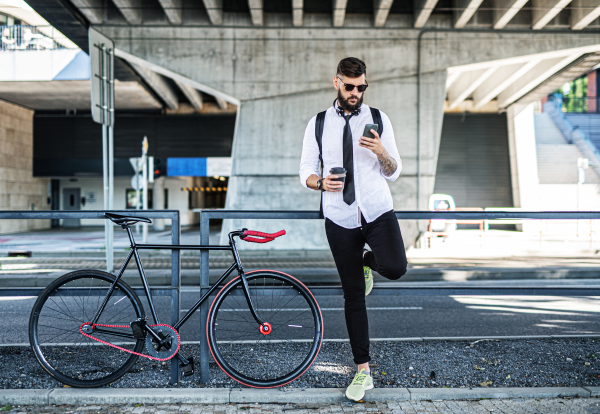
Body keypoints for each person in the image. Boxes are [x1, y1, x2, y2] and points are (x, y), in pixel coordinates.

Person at [299, 57, 408, 401]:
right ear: (337, 83)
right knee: (352, 296)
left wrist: (381, 152)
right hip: (339, 216)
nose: (356, 92)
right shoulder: (318, 123)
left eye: (362, 87)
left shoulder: (378, 119)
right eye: (350, 86)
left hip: (376, 208)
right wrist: (320, 183)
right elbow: (305, 169)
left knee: (395, 267)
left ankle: (366, 261)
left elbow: (394, 170)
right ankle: (363, 371)